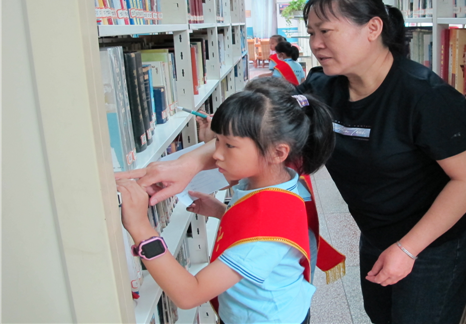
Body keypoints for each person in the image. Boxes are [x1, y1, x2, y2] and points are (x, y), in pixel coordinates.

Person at [117, 0, 466, 324]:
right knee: (382, 315)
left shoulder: (426, 98)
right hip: (376, 231)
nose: (316, 43)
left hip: (433, 243)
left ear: (373, 28)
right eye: (311, 33)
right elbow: (259, 130)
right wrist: (185, 165)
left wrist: (407, 250)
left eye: (326, 31)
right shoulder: (323, 87)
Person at [117, 82, 335, 324]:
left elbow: (189, 295)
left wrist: (140, 227)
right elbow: (258, 222)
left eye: (229, 145)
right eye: (216, 141)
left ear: (277, 153)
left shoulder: (264, 234)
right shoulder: (273, 182)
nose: (216, 154)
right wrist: (224, 212)